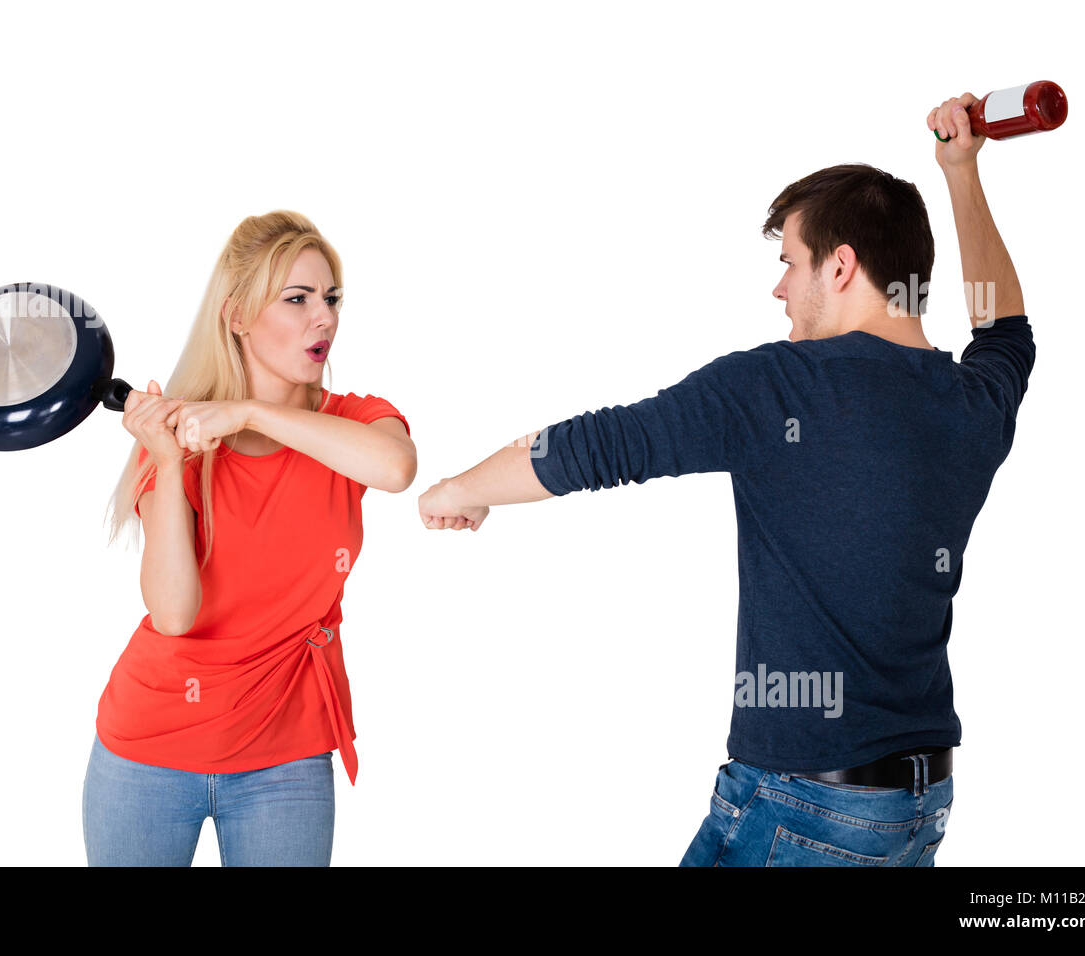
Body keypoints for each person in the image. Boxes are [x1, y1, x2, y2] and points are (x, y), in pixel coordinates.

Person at [416, 92, 1035, 866]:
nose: (779, 289)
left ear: (841, 265)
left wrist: (458, 490)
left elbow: (601, 444)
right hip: (916, 806)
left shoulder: (781, 386)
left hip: (803, 803)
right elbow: (1004, 326)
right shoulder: (973, 403)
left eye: (790, 262)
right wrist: (961, 174)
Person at [83, 211, 416, 866]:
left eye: (330, 299)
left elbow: (396, 468)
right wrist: (171, 461)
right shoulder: (177, 448)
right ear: (236, 317)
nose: (323, 317)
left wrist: (253, 411)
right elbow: (174, 613)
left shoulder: (355, 421)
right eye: (297, 299)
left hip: (285, 759)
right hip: (148, 753)